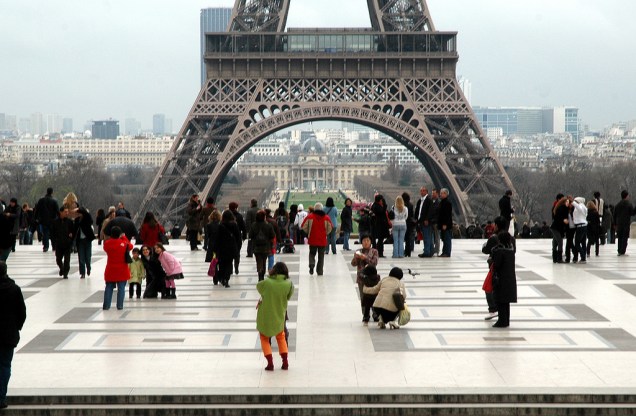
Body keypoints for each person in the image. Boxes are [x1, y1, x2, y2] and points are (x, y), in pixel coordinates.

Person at [257, 262, 294, 371]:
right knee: (281, 337)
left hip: (266, 314)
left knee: (264, 338)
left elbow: (258, 287)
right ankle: (285, 361)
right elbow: (288, 296)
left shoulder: (267, 283)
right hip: (279, 313)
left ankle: (270, 363)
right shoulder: (289, 284)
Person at [0, 261, 27, 410]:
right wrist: (17, 327)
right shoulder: (14, 289)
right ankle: (1, 398)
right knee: (4, 366)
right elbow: (22, 312)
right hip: (8, 335)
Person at [482, 216, 516, 321]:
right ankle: (503, 317)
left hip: (495, 267)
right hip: (508, 270)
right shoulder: (512, 238)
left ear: (496, 226)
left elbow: (485, 250)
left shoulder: (494, 238)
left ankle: (493, 309)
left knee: (490, 287)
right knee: (503, 292)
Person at [490, 231, 517, 328]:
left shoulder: (499, 251)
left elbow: (496, 265)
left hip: (501, 280)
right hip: (510, 279)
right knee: (506, 302)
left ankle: (502, 320)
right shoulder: (511, 251)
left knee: (500, 300)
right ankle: (506, 320)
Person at [351, 234, 379, 325]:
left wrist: (365, 258)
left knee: (374, 296)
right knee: (363, 297)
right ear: (361, 242)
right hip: (361, 279)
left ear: (370, 242)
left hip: (372, 279)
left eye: (367, 240)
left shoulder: (374, 251)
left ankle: (375, 314)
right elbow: (353, 264)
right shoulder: (358, 251)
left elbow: (374, 263)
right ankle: (365, 315)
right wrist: (356, 257)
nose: (366, 242)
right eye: (364, 241)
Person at [102, 226, 132, 310]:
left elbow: (105, 248)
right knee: (121, 288)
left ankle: (106, 305)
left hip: (110, 268)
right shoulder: (124, 243)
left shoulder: (107, 243)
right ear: (119, 234)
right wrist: (124, 237)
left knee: (109, 287)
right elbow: (130, 246)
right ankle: (119, 305)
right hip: (122, 269)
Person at [301, 202, 333, 276]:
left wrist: (309, 232)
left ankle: (311, 265)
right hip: (322, 240)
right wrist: (325, 233)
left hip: (312, 239)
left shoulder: (310, 217)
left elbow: (303, 226)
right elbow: (330, 227)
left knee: (312, 254)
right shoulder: (326, 217)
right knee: (321, 256)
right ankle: (320, 271)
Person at [215, 210, 242, 288]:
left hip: (222, 248)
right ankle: (227, 279)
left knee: (222, 264)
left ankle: (222, 278)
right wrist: (237, 248)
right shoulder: (234, 225)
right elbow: (238, 238)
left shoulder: (220, 225)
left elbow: (217, 238)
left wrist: (215, 249)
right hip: (231, 248)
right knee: (229, 263)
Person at [249, 210, 276, 281]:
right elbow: (273, 235)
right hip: (266, 247)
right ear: (264, 217)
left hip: (256, 247)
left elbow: (250, 235)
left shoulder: (253, 225)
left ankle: (260, 273)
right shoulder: (268, 225)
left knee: (258, 261)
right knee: (264, 261)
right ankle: (262, 273)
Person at [51, 207, 76, 279]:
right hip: (58, 244)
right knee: (58, 259)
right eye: (65, 212)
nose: (67, 213)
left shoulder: (70, 222)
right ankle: (62, 268)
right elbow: (52, 233)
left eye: (67, 212)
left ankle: (65, 273)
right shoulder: (55, 222)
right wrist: (54, 243)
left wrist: (70, 240)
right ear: (60, 212)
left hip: (67, 244)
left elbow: (73, 232)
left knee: (67, 260)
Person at [34, 187, 59, 252]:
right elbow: (57, 211)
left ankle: (46, 247)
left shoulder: (41, 200)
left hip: (43, 219)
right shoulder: (54, 201)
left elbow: (37, 210)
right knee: (53, 234)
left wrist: (35, 218)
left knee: (45, 234)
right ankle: (54, 246)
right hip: (53, 220)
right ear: (52, 192)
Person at [75, 207, 95, 279]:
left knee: (88, 256)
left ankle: (88, 267)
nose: (78, 215)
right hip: (80, 241)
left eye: (79, 213)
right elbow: (74, 229)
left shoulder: (87, 219)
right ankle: (82, 273)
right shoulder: (77, 220)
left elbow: (91, 220)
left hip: (87, 239)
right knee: (81, 257)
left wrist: (86, 212)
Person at [614, 190, 635, 256]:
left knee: (620, 237)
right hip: (626, 223)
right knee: (624, 238)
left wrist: (614, 224)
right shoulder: (629, 204)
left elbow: (614, 214)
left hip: (619, 223)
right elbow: (632, 213)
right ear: (626, 196)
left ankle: (619, 250)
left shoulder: (618, 204)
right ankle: (622, 251)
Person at [228, 202, 246, 274]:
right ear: (236, 208)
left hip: (228, 238)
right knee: (237, 253)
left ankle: (230, 268)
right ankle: (236, 266)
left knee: (229, 253)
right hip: (237, 238)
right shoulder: (239, 216)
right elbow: (243, 227)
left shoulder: (226, 215)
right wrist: (244, 236)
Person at [414, 187, 433, 258]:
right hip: (421, 221)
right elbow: (418, 211)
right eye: (421, 191)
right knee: (427, 237)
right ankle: (429, 251)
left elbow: (430, 211)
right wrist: (416, 219)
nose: (422, 192)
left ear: (426, 192)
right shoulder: (420, 201)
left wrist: (427, 219)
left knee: (427, 237)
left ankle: (427, 252)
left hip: (426, 222)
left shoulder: (429, 200)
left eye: (423, 191)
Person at [550, 196, 569, 264]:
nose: (568, 203)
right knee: (560, 242)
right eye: (567, 202)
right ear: (564, 202)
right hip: (556, 228)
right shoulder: (562, 208)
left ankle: (555, 258)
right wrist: (563, 220)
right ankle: (559, 258)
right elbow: (558, 218)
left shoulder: (561, 208)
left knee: (555, 243)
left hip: (557, 228)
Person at [571, 197, 588, 264]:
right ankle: (583, 257)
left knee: (577, 243)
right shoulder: (584, 207)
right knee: (583, 243)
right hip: (584, 226)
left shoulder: (581, 206)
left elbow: (579, 208)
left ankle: (583, 257)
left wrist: (573, 202)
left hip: (580, 226)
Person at [438, 188, 453, 257]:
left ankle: (447, 253)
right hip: (443, 224)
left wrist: (445, 224)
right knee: (444, 239)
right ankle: (444, 252)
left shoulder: (447, 203)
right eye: (440, 193)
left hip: (446, 225)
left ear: (446, 194)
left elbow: (447, 215)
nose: (440, 194)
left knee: (447, 239)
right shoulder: (443, 202)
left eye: (442, 193)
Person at [402, 192, 416, 257]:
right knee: (408, 238)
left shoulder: (403, 205)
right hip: (409, 223)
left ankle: (404, 251)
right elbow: (412, 214)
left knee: (403, 237)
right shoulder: (411, 205)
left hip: (404, 222)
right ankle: (408, 252)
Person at [429, 189, 441, 256]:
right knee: (432, 237)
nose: (432, 194)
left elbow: (438, 213)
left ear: (437, 194)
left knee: (437, 237)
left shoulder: (438, 202)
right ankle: (433, 250)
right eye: (432, 193)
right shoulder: (431, 201)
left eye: (434, 193)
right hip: (432, 222)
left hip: (436, 222)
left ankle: (437, 250)